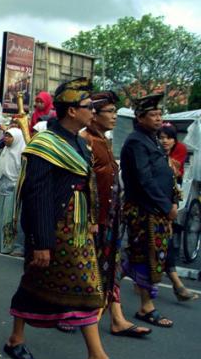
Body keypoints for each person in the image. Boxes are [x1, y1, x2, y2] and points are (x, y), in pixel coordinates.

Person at [3, 77, 141, 359]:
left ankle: (94, 355)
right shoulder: (45, 144)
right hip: (53, 227)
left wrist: (91, 219)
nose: (92, 111)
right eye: (87, 106)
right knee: (43, 280)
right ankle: (23, 340)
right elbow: (35, 195)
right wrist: (41, 240)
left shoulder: (80, 141)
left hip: (77, 228)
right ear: (70, 111)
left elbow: (88, 183)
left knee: (80, 285)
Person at [79, 92, 151, 338]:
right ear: (94, 115)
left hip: (111, 218)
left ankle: (117, 318)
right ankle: (74, 313)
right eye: (109, 111)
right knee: (89, 268)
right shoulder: (85, 140)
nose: (114, 117)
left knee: (112, 266)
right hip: (93, 219)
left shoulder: (104, 140)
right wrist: (90, 219)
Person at [120, 93, 180, 329]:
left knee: (142, 258)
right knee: (144, 257)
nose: (158, 119)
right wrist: (166, 206)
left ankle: (105, 299)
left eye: (159, 115)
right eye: (153, 115)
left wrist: (172, 201)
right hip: (144, 210)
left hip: (158, 210)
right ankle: (145, 307)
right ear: (139, 118)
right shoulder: (136, 142)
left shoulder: (152, 139)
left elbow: (163, 175)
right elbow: (144, 180)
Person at [157, 123, 199, 302]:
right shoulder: (151, 148)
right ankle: (177, 285)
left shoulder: (180, 149)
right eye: (162, 137)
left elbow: (175, 171)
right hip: (155, 201)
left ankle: (177, 285)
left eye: (169, 138)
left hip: (170, 199)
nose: (165, 141)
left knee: (167, 243)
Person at [0, 128, 25, 255]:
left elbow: (21, 172)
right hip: (3, 187)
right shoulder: (5, 150)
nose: (6, 138)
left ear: (16, 138)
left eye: (9, 136)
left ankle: (11, 245)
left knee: (11, 217)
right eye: (5, 135)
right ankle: (0, 244)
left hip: (14, 189)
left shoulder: (22, 152)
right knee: (1, 216)